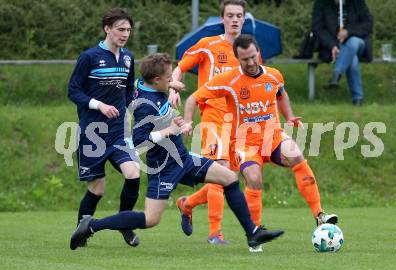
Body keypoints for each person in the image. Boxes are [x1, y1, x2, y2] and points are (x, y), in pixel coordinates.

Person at [69, 53, 284, 251]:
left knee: (229, 177)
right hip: (164, 167)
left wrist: (172, 88)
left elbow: (144, 84)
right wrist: (168, 130)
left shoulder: (143, 85)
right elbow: (139, 142)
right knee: (150, 219)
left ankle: (252, 233)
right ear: (155, 81)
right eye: (168, 77)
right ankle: (91, 225)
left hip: (183, 158)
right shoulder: (147, 105)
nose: (172, 79)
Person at [183, 34, 338, 252]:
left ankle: (319, 215)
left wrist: (290, 116)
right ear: (237, 58)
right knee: (254, 178)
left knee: (296, 154)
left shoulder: (273, 76)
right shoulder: (229, 80)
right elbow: (193, 98)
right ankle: (255, 233)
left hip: (272, 137)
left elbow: (281, 95)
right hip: (244, 143)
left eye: (253, 57)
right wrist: (188, 121)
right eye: (245, 59)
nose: (251, 62)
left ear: (259, 53)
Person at [170, 0, 247, 245]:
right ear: (222, 19)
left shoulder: (248, 49)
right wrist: (173, 87)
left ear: (244, 19)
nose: (234, 19)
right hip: (212, 116)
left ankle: (187, 203)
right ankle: (215, 233)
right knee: (221, 171)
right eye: (230, 15)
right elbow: (180, 67)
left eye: (239, 16)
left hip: (239, 121)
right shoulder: (208, 44)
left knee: (229, 178)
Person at [68, 8, 141, 248]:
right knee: (97, 189)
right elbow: (73, 90)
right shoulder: (89, 57)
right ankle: (81, 231)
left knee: (133, 173)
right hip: (93, 133)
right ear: (107, 29)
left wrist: (133, 109)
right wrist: (99, 105)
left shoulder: (128, 58)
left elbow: (129, 89)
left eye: (128, 30)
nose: (125, 34)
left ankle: (124, 224)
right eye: (121, 29)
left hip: (119, 131)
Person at [312, 0, 373, 105]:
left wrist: (348, 32)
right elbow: (318, 29)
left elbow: (368, 25)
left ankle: (337, 74)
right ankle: (358, 99)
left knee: (353, 43)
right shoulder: (321, 3)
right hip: (333, 48)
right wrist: (332, 45)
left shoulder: (357, 3)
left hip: (358, 43)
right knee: (352, 58)